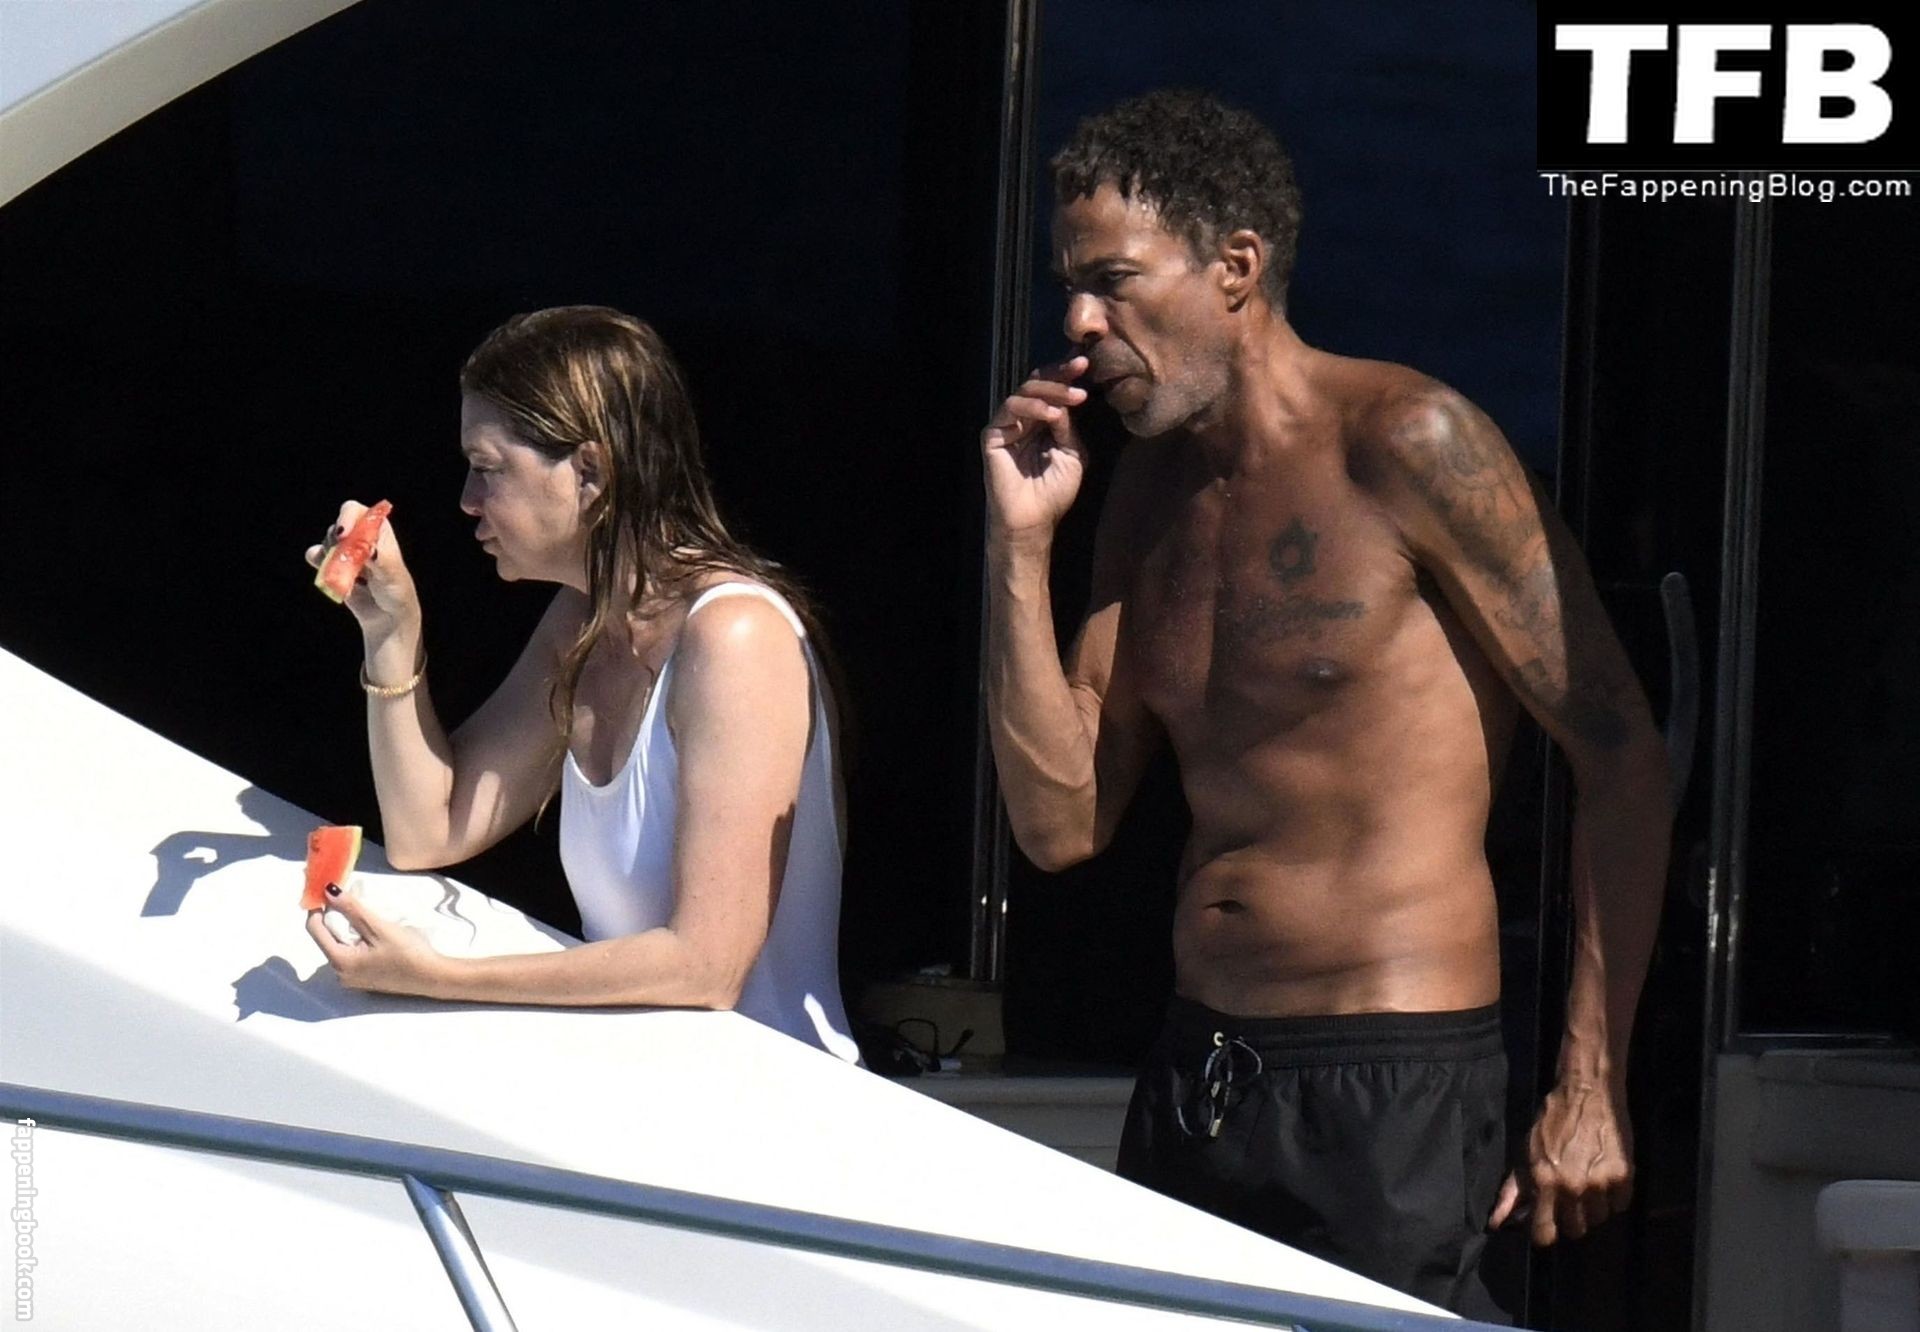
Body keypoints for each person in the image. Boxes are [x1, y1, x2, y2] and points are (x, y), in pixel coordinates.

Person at [979, 90, 1671, 1316]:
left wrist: (1590, 1080)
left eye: (1114, 281)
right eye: (1070, 287)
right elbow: (1059, 824)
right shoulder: (1143, 497)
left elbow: (1620, 757)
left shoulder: (1410, 442)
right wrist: (1020, 548)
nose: (1080, 322)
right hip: (1199, 1073)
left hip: (1390, 1084)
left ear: (1236, 267)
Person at [303, 304, 860, 1063]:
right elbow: (429, 832)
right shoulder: (583, 620)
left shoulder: (736, 636)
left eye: (487, 467)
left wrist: (441, 977)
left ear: (590, 471)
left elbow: (706, 966)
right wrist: (393, 633)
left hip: (772, 1110)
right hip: (658, 1098)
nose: (466, 499)